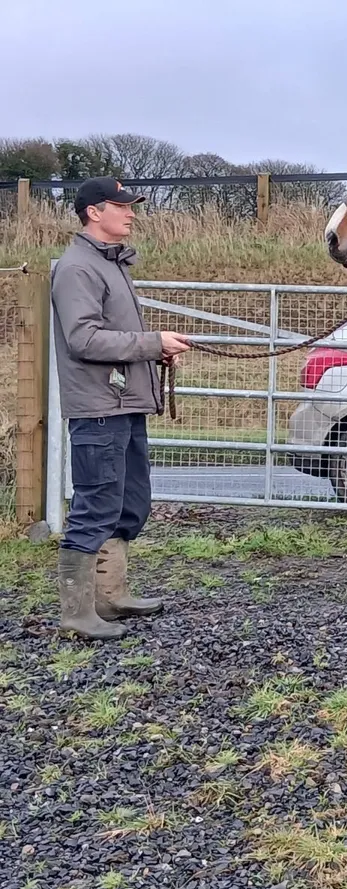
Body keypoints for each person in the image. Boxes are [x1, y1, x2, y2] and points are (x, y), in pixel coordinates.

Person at [50, 176, 192, 640]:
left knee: (129, 501)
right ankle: (76, 612)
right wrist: (152, 343)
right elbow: (82, 339)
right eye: (122, 205)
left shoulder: (111, 264)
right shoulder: (78, 269)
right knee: (96, 503)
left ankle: (109, 596)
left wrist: (154, 350)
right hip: (99, 406)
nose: (131, 213)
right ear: (95, 211)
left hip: (123, 402)